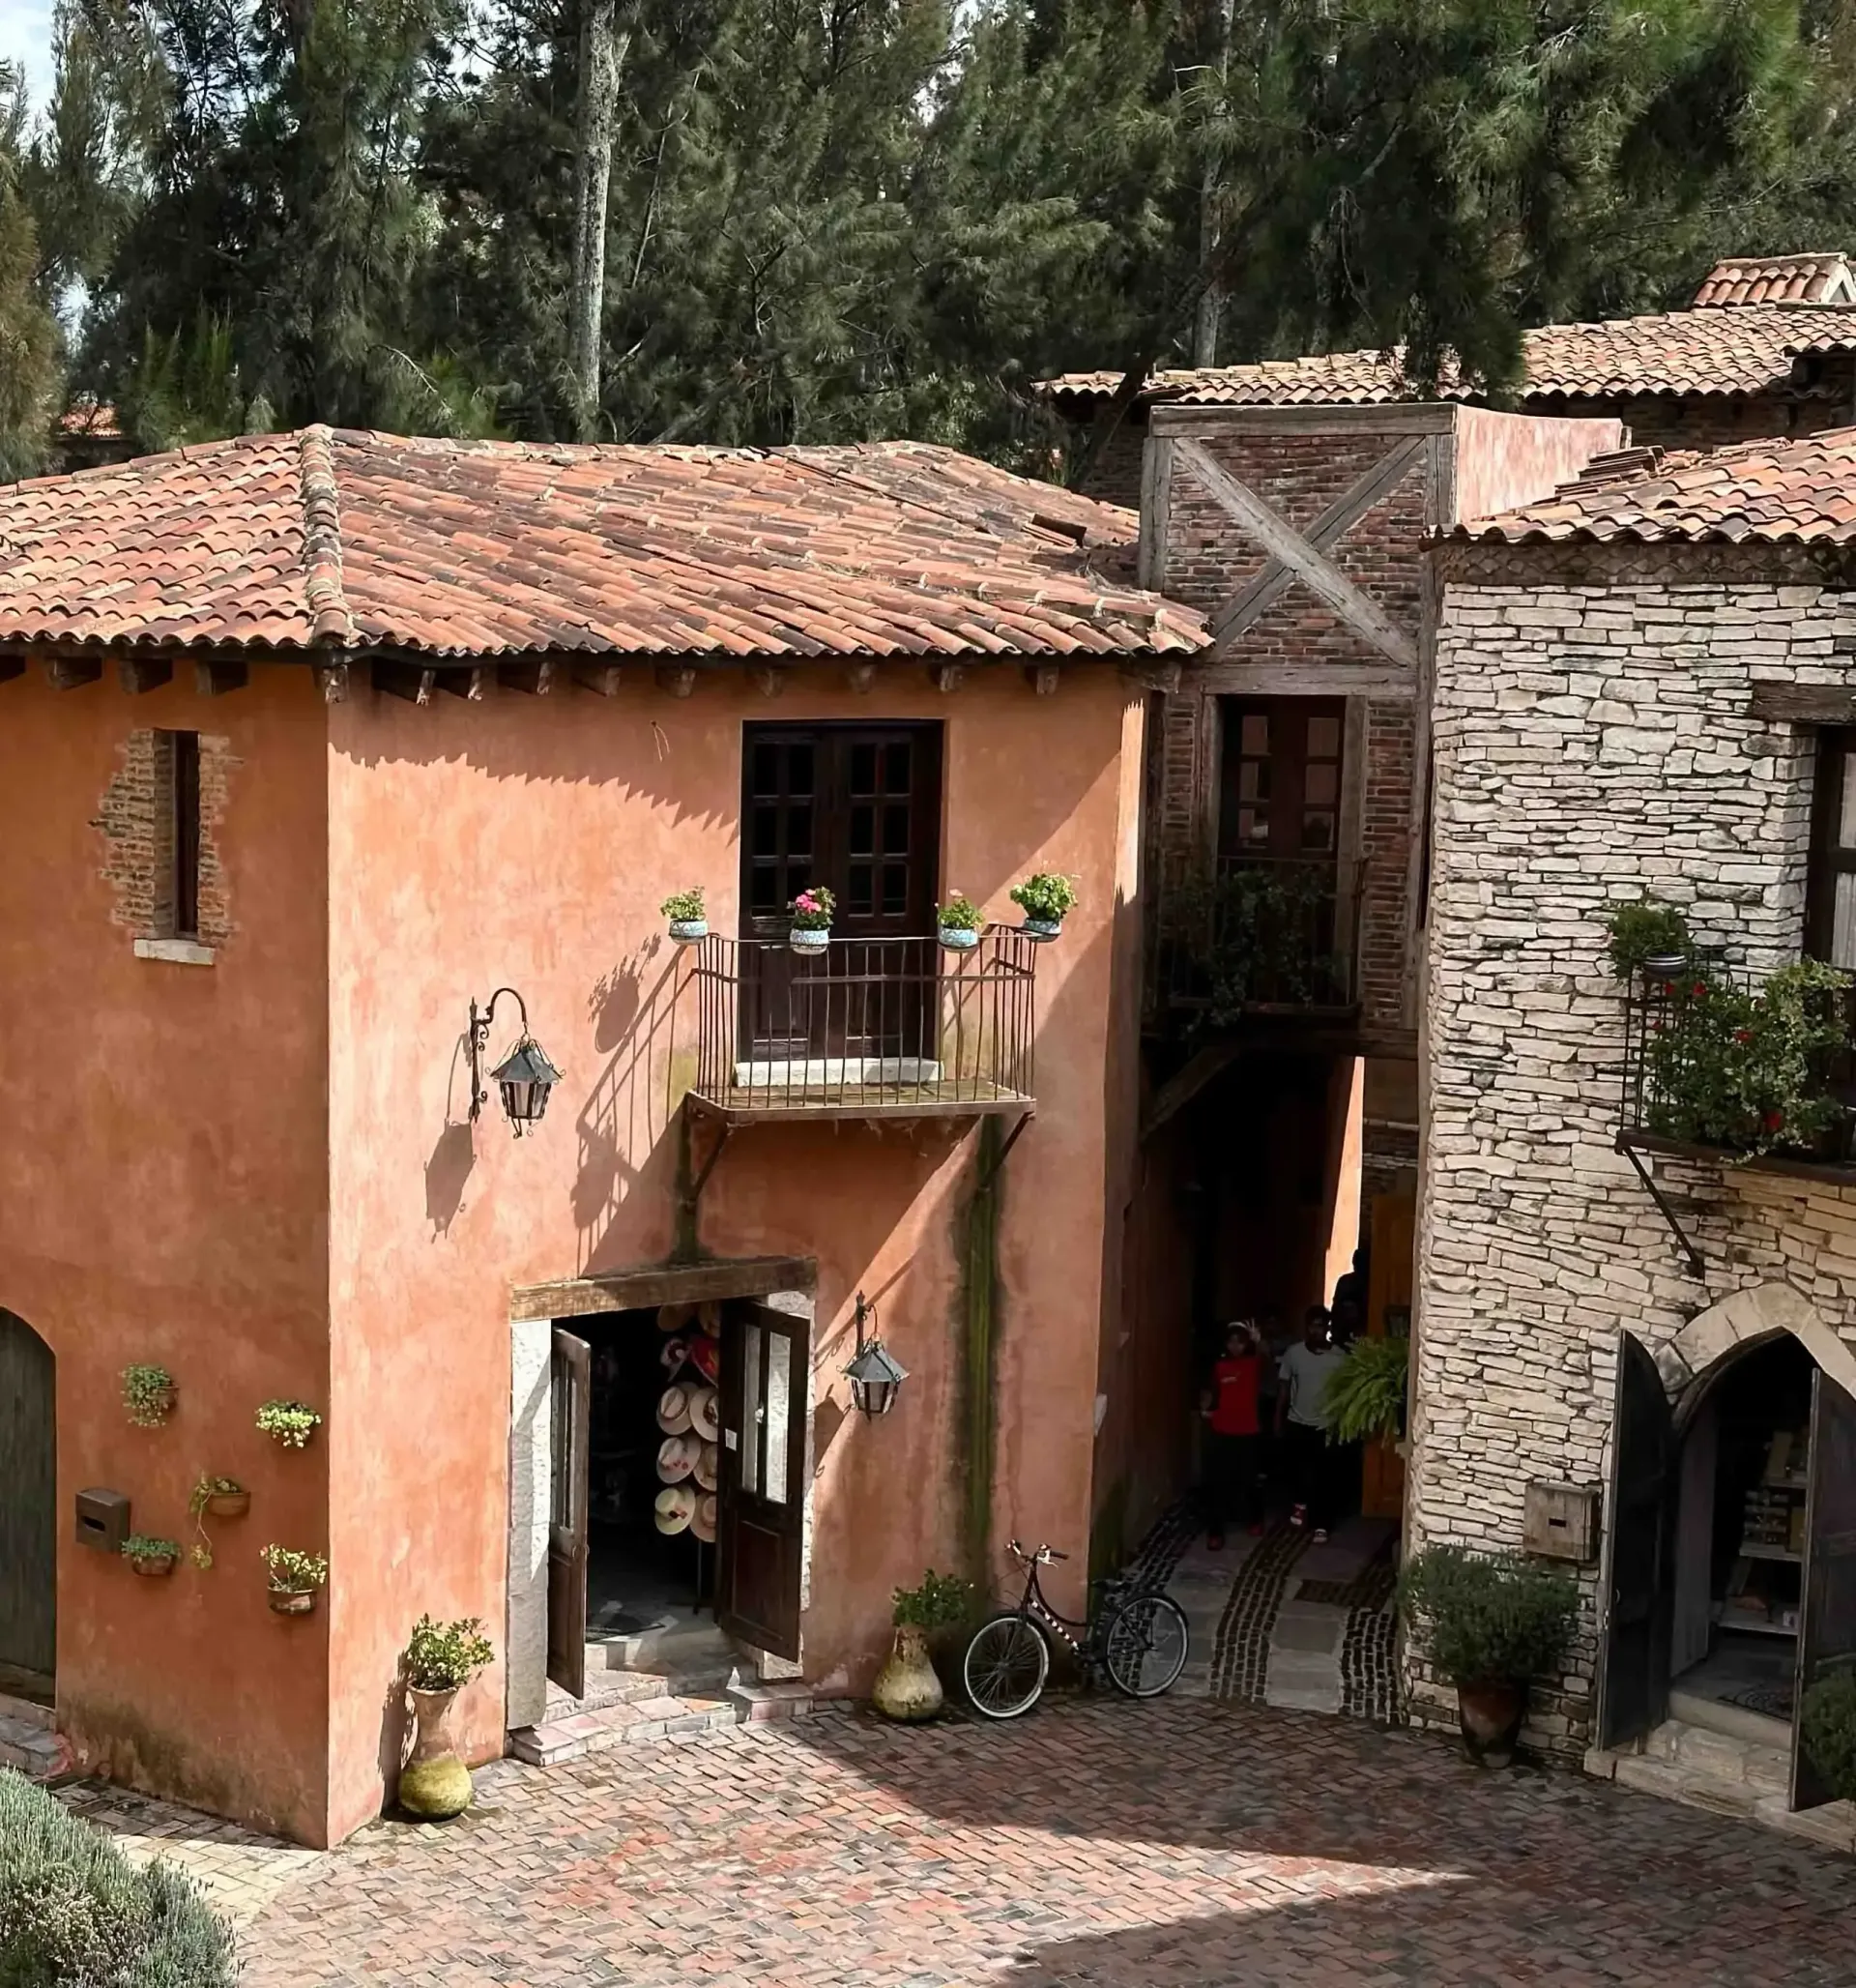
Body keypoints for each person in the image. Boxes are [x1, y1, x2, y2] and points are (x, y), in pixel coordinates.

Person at [1276, 1305, 1347, 1541]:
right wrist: (1278, 1419)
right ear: (1306, 1327)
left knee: (1325, 1476)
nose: (1316, 1330)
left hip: (1326, 1425)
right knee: (1297, 1470)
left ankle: (1322, 1523)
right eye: (1312, 1325)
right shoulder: (1293, 1354)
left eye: (1321, 1325)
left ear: (1327, 1328)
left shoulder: (1339, 1358)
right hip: (1297, 1421)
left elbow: (1345, 1393)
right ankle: (1299, 1509)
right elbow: (1284, 1389)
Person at [1199, 1322, 1263, 1550]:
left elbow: (1268, 1360)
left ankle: (1255, 1519)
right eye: (1232, 1341)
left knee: (1249, 1480)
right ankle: (1215, 1532)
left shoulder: (1253, 1364)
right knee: (1217, 1482)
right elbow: (1211, 1392)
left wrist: (1258, 1341)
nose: (1236, 1346)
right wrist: (1206, 1408)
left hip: (1247, 1431)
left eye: (1241, 1341)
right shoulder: (1220, 1366)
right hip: (1222, 1430)